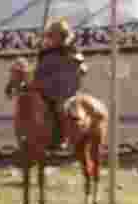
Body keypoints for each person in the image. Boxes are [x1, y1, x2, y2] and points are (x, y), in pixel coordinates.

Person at [35, 18, 87, 151]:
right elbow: (38, 71)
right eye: (51, 35)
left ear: (63, 35)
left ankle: (63, 138)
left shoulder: (71, 50)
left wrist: (79, 66)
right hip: (46, 89)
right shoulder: (44, 52)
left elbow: (82, 65)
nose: (53, 38)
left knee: (60, 107)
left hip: (65, 90)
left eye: (56, 34)